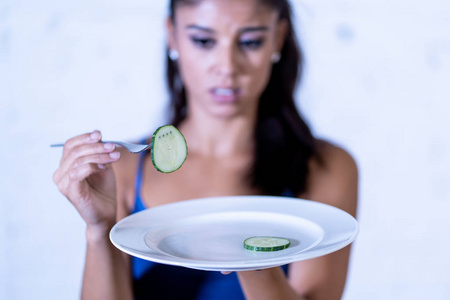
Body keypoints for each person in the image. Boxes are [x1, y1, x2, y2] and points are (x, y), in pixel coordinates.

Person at [53, 0, 358, 299]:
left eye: (250, 42)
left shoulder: (326, 168)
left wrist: (246, 254)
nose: (227, 66)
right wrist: (98, 228)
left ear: (277, 39)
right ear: (172, 36)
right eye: (203, 40)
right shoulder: (122, 170)